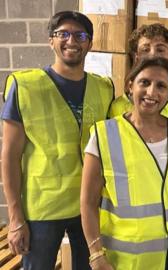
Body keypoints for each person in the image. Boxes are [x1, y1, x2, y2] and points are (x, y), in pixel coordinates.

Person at [1, 11, 114, 269]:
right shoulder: (25, 86)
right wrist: (15, 217)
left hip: (89, 204)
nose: (71, 40)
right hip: (43, 208)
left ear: (90, 43)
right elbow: (9, 155)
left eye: (80, 35)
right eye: (62, 33)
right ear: (50, 40)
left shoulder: (104, 88)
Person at [81, 57, 168, 269]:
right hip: (129, 259)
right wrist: (96, 254)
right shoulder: (104, 134)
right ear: (130, 85)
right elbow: (88, 202)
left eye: (161, 86)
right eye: (144, 82)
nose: (152, 92)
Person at [109, 23, 168, 121]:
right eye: (145, 49)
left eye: (160, 50)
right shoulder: (117, 107)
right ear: (136, 57)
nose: (152, 55)